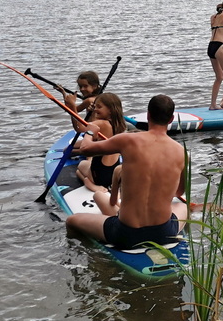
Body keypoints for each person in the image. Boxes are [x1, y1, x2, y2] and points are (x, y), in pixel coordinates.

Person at [67, 95, 189, 249]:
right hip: (163, 233)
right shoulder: (182, 152)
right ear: (171, 119)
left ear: (148, 115)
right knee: (183, 207)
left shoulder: (127, 140)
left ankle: (94, 258)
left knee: (72, 221)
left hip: (126, 233)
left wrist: (90, 132)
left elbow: (85, 149)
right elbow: (179, 192)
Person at [74, 92, 125, 194]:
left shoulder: (103, 123)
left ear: (110, 110)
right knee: (87, 161)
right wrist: (93, 113)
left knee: (80, 166)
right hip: (113, 174)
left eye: (99, 107)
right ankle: (89, 180)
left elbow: (80, 128)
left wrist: (72, 106)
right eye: (95, 106)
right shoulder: (119, 125)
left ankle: (89, 183)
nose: (96, 109)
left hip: (99, 175)